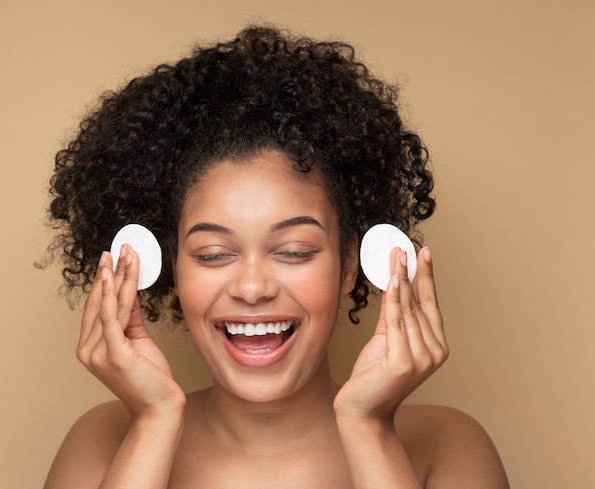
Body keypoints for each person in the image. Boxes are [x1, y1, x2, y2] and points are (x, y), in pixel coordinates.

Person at [42, 25, 510, 488]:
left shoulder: (446, 444)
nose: (252, 287)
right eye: (212, 254)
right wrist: (153, 422)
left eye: (294, 251)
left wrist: (368, 427)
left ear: (350, 263)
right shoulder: (103, 441)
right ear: (168, 268)